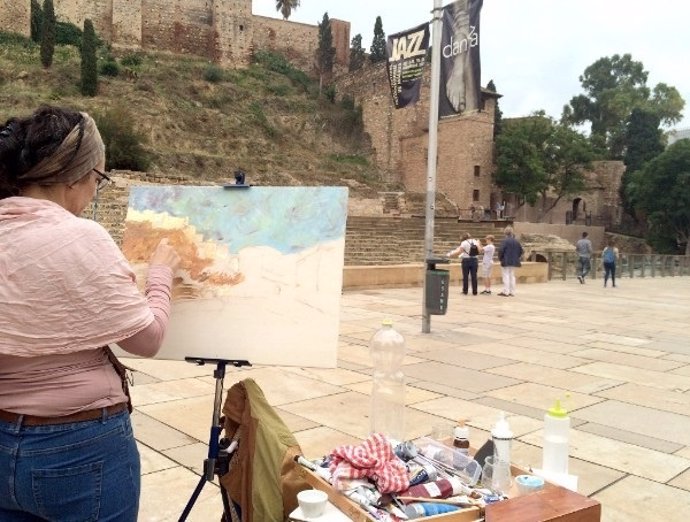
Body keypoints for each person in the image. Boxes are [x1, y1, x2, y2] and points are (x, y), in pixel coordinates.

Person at [0, 105, 181, 521]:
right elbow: (147, 339)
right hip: (79, 444)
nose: (95, 192)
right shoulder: (81, 236)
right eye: (98, 179)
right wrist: (160, 276)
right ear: (75, 177)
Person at [497, 226, 523, 297]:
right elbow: (521, 251)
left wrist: (500, 258)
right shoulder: (516, 241)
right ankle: (512, 291)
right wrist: (516, 257)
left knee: (506, 276)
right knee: (512, 275)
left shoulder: (505, 241)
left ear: (505, 233)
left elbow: (501, 250)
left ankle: (506, 291)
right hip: (514, 261)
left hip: (506, 260)